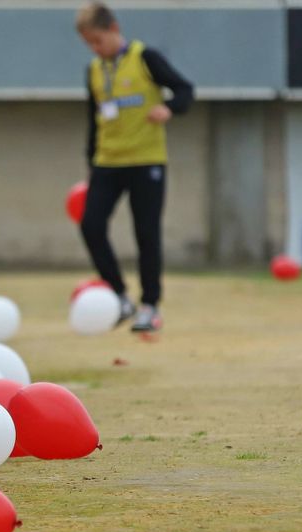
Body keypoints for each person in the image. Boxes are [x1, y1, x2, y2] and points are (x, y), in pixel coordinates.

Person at [75, 2, 194, 333]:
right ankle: (118, 296)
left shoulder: (146, 58)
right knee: (91, 225)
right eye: (89, 44)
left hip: (146, 161)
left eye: (97, 40)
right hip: (107, 163)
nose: (95, 49)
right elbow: (93, 120)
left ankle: (150, 306)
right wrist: (91, 163)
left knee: (146, 232)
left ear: (113, 28)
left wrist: (168, 108)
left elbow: (186, 90)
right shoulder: (94, 71)